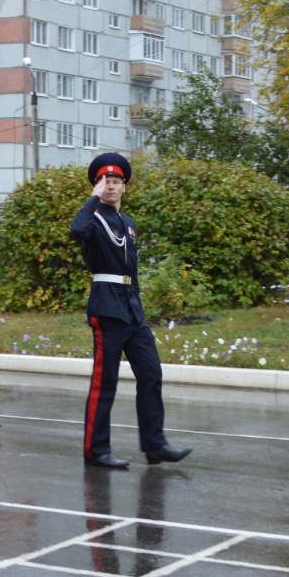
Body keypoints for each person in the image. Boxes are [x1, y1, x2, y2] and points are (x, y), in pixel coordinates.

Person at [70, 153, 192, 468]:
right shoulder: (93, 218)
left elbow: (132, 269)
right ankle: (96, 450)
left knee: (151, 373)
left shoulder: (128, 223)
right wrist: (92, 199)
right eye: (104, 181)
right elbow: (77, 231)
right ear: (97, 185)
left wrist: (138, 306)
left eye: (115, 181)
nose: (110, 185)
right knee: (105, 381)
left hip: (131, 308)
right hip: (106, 307)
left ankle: (155, 444)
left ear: (124, 186)